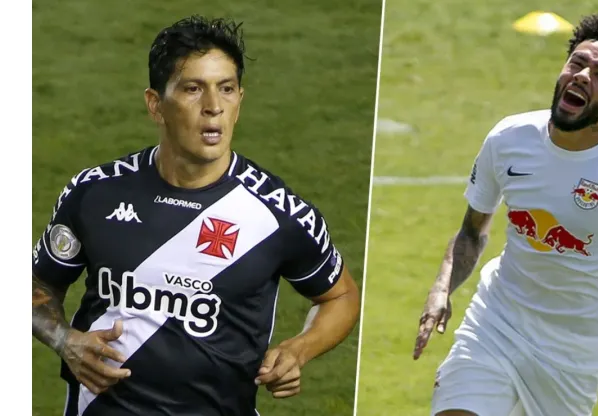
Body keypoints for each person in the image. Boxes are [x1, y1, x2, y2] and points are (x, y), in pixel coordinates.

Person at [31, 15, 360, 416]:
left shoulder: (278, 213)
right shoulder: (94, 192)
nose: (213, 107)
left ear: (240, 100)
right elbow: (36, 284)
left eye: (226, 89)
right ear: (156, 105)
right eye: (192, 89)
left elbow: (341, 294)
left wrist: (299, 348)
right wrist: (64, 339)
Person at [413, 13, 598, 416]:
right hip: (497, 322)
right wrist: (442, 288)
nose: (583, 76)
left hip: (573, 356)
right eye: (577, 63)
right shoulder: (509, 139)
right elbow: (472, 230)